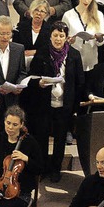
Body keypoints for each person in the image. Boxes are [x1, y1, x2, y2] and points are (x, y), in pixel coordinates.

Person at [25, 21, 84, 182]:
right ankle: (42, 168)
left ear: (67, 37)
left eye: (61, 36)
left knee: (60, 139)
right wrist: (39, 83)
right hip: (44, 103)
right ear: (50, 36)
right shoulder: (43, 53)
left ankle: (55, 169)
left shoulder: (74, 55)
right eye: (55, 35)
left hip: (64, 105)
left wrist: (75, 107)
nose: (58, 39)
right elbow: (32, 77)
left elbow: (79, 82)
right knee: (42, 138)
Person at [62, 0, 104, 73]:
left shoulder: (98, 15)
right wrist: (69, 41)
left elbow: (100, 43)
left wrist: (99, 38)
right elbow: (62, 39)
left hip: (91, 61)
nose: (86, 1)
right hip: (73, 60)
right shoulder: (68, 15)